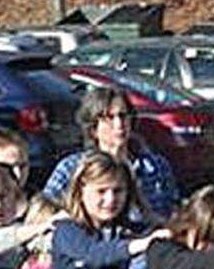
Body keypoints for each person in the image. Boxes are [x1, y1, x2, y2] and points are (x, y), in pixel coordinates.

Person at [42, 87, 179, 224]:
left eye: (123, 116)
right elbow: (44, 212)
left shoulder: (156, 167)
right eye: (109, 118)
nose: (119, 124)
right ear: (93, 128)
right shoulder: (71, 167)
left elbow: (174, 211)